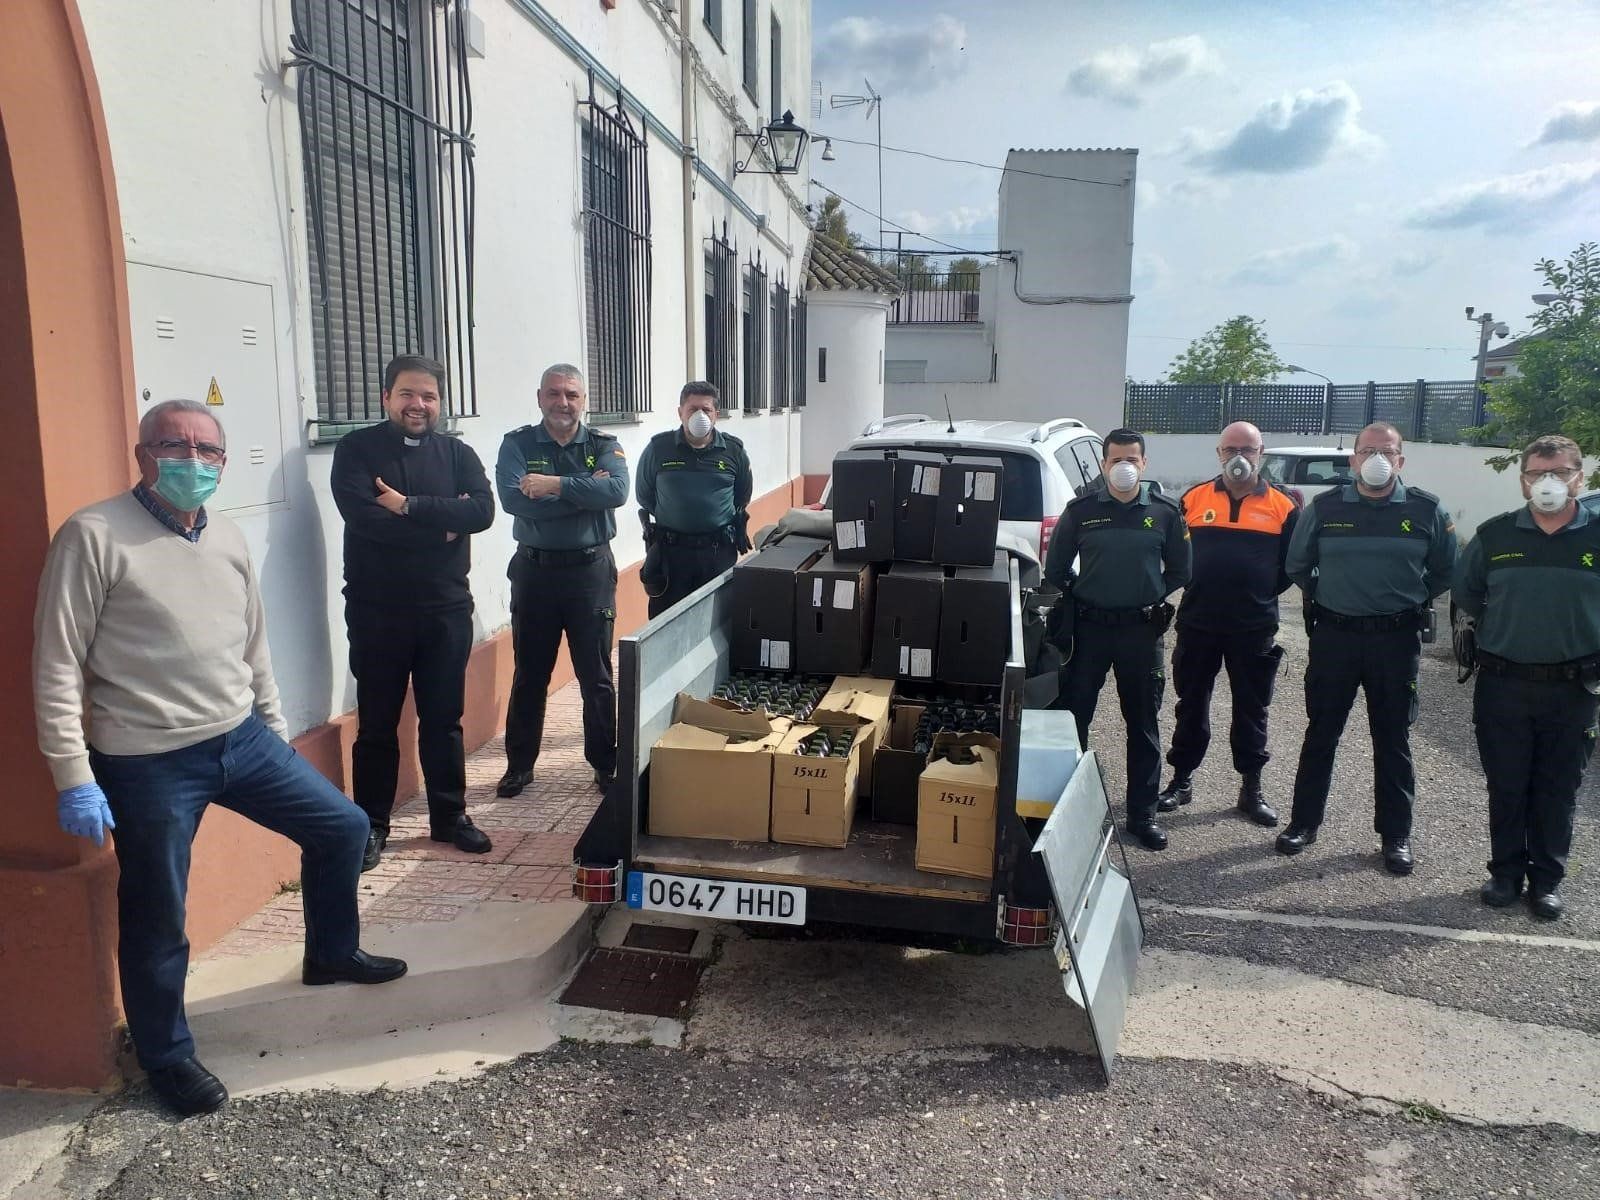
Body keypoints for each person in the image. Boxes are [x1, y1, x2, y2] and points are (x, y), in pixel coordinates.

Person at [33, 400, 406, 1118]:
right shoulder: (93, 535)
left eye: (208, 449)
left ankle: (330, 954)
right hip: (147, 760)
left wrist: (271, 727)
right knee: (157, 913)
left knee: (343, 828)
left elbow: (252, 641)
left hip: (241, 739)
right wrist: (72, 772)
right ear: (143, 454)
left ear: (224, 462)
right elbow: (55, 664)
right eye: (175, 445)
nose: (193, 460)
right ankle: (165, 1057)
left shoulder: (228, 534)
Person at [331, 355, 496, 870]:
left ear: (439, 403)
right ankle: (371, 825)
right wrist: (443, 526)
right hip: (377, 611)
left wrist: (407, 505)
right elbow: (363, 519)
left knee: (444, 719)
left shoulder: (457, 453)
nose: (418, 405)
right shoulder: (356, 450)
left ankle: (449, 817)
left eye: (428, 396)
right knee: (377, 723)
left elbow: (483, 512)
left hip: (445, 609)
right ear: (386, 398)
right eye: (407, 394)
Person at [1277, 421, 1456, 874]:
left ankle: (1395, 836)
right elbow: (1299, 564)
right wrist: (1334, 594)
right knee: (1321, 733)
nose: (1377, 459)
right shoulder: (1325, 507)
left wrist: (1406, 600)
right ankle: (1303, 823)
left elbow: (1444, 572)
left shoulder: (1426, 510)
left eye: (1387, 451)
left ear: (1401, 461)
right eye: (1368, 450)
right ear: (1353, 459)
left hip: (1396, 640)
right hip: (1335, 637)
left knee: (1392, 739)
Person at [1454, 435, 1600, 921]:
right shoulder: (1496, 536)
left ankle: (1546, 881)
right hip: (1504, 683)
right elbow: (1469, 592)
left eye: (1559, 471)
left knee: (1558, 788)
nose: (1549, 482)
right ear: (1523, 481)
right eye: (1538, 473)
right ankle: (1505, 873)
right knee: (1507, 783)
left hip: (1573, 687)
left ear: (1580, 476)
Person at [1045, 429, 1191, 850]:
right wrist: (1082, 597)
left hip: (1141, 633)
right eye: (1115, 460)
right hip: (1089, 631)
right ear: (1103, 464)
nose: (1123, 467)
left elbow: (1182, 570)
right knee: (1074, 720)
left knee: (1143, 724)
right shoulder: (1082, 511)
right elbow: (1056, 570)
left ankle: (1142, 815)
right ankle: (1066, 811)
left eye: (1132, 459)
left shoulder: (1164, 513)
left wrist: (1147, 594)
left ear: (1144, 464)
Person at [494, 364, 629, 799]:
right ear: (539, 398)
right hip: (535, 573)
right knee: (530, 673)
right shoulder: (516, 444)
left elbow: (617, 492)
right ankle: (519, 766)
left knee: (596, 675)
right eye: (554, 394)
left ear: (583, 400)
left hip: (589, 573)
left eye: (571, 394)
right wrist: (584, 493)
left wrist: (552, 485)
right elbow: (515, 500)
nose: (563, 402)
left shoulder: (603, 444)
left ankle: (604, 764)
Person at [1157, 422, 1299, 827]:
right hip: (1198, 621)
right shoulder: (1193, 499)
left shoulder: (1283, 505)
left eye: (1248, 449)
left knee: (1252, 709)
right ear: (1219, 453)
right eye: (1231, 448)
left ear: (1261, 452)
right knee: (1191, 705)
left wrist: (1259, 593)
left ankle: (1251, 789)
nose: (1239, 457)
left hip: (1253, 627)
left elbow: (1291, 566)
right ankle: (1181, 780)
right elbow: (1175, 556)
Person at [635, 381, 753, 618]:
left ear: (716, 415)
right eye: (692, 409)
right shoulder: (659, 448)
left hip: (717, 553)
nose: (700, 415)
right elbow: (644, 495)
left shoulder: (733, 451)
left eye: (706, 409)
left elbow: (742, 496)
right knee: (666, 624)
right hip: (671, 556)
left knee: (719, 621)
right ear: (681, 412)